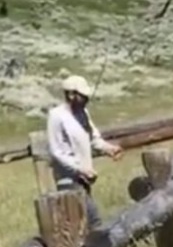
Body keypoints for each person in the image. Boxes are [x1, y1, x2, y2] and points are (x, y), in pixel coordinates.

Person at [46, 75, 123, 230]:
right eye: (82, 96)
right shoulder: (56, 116)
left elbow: (93, 138)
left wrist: (108, 148)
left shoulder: (83, 114)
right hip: (68, 180)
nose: (86, 99)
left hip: (84, 178)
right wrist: (79, 168)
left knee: (82, 223)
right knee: (93, 220)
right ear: (70, 95)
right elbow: (57, 151)